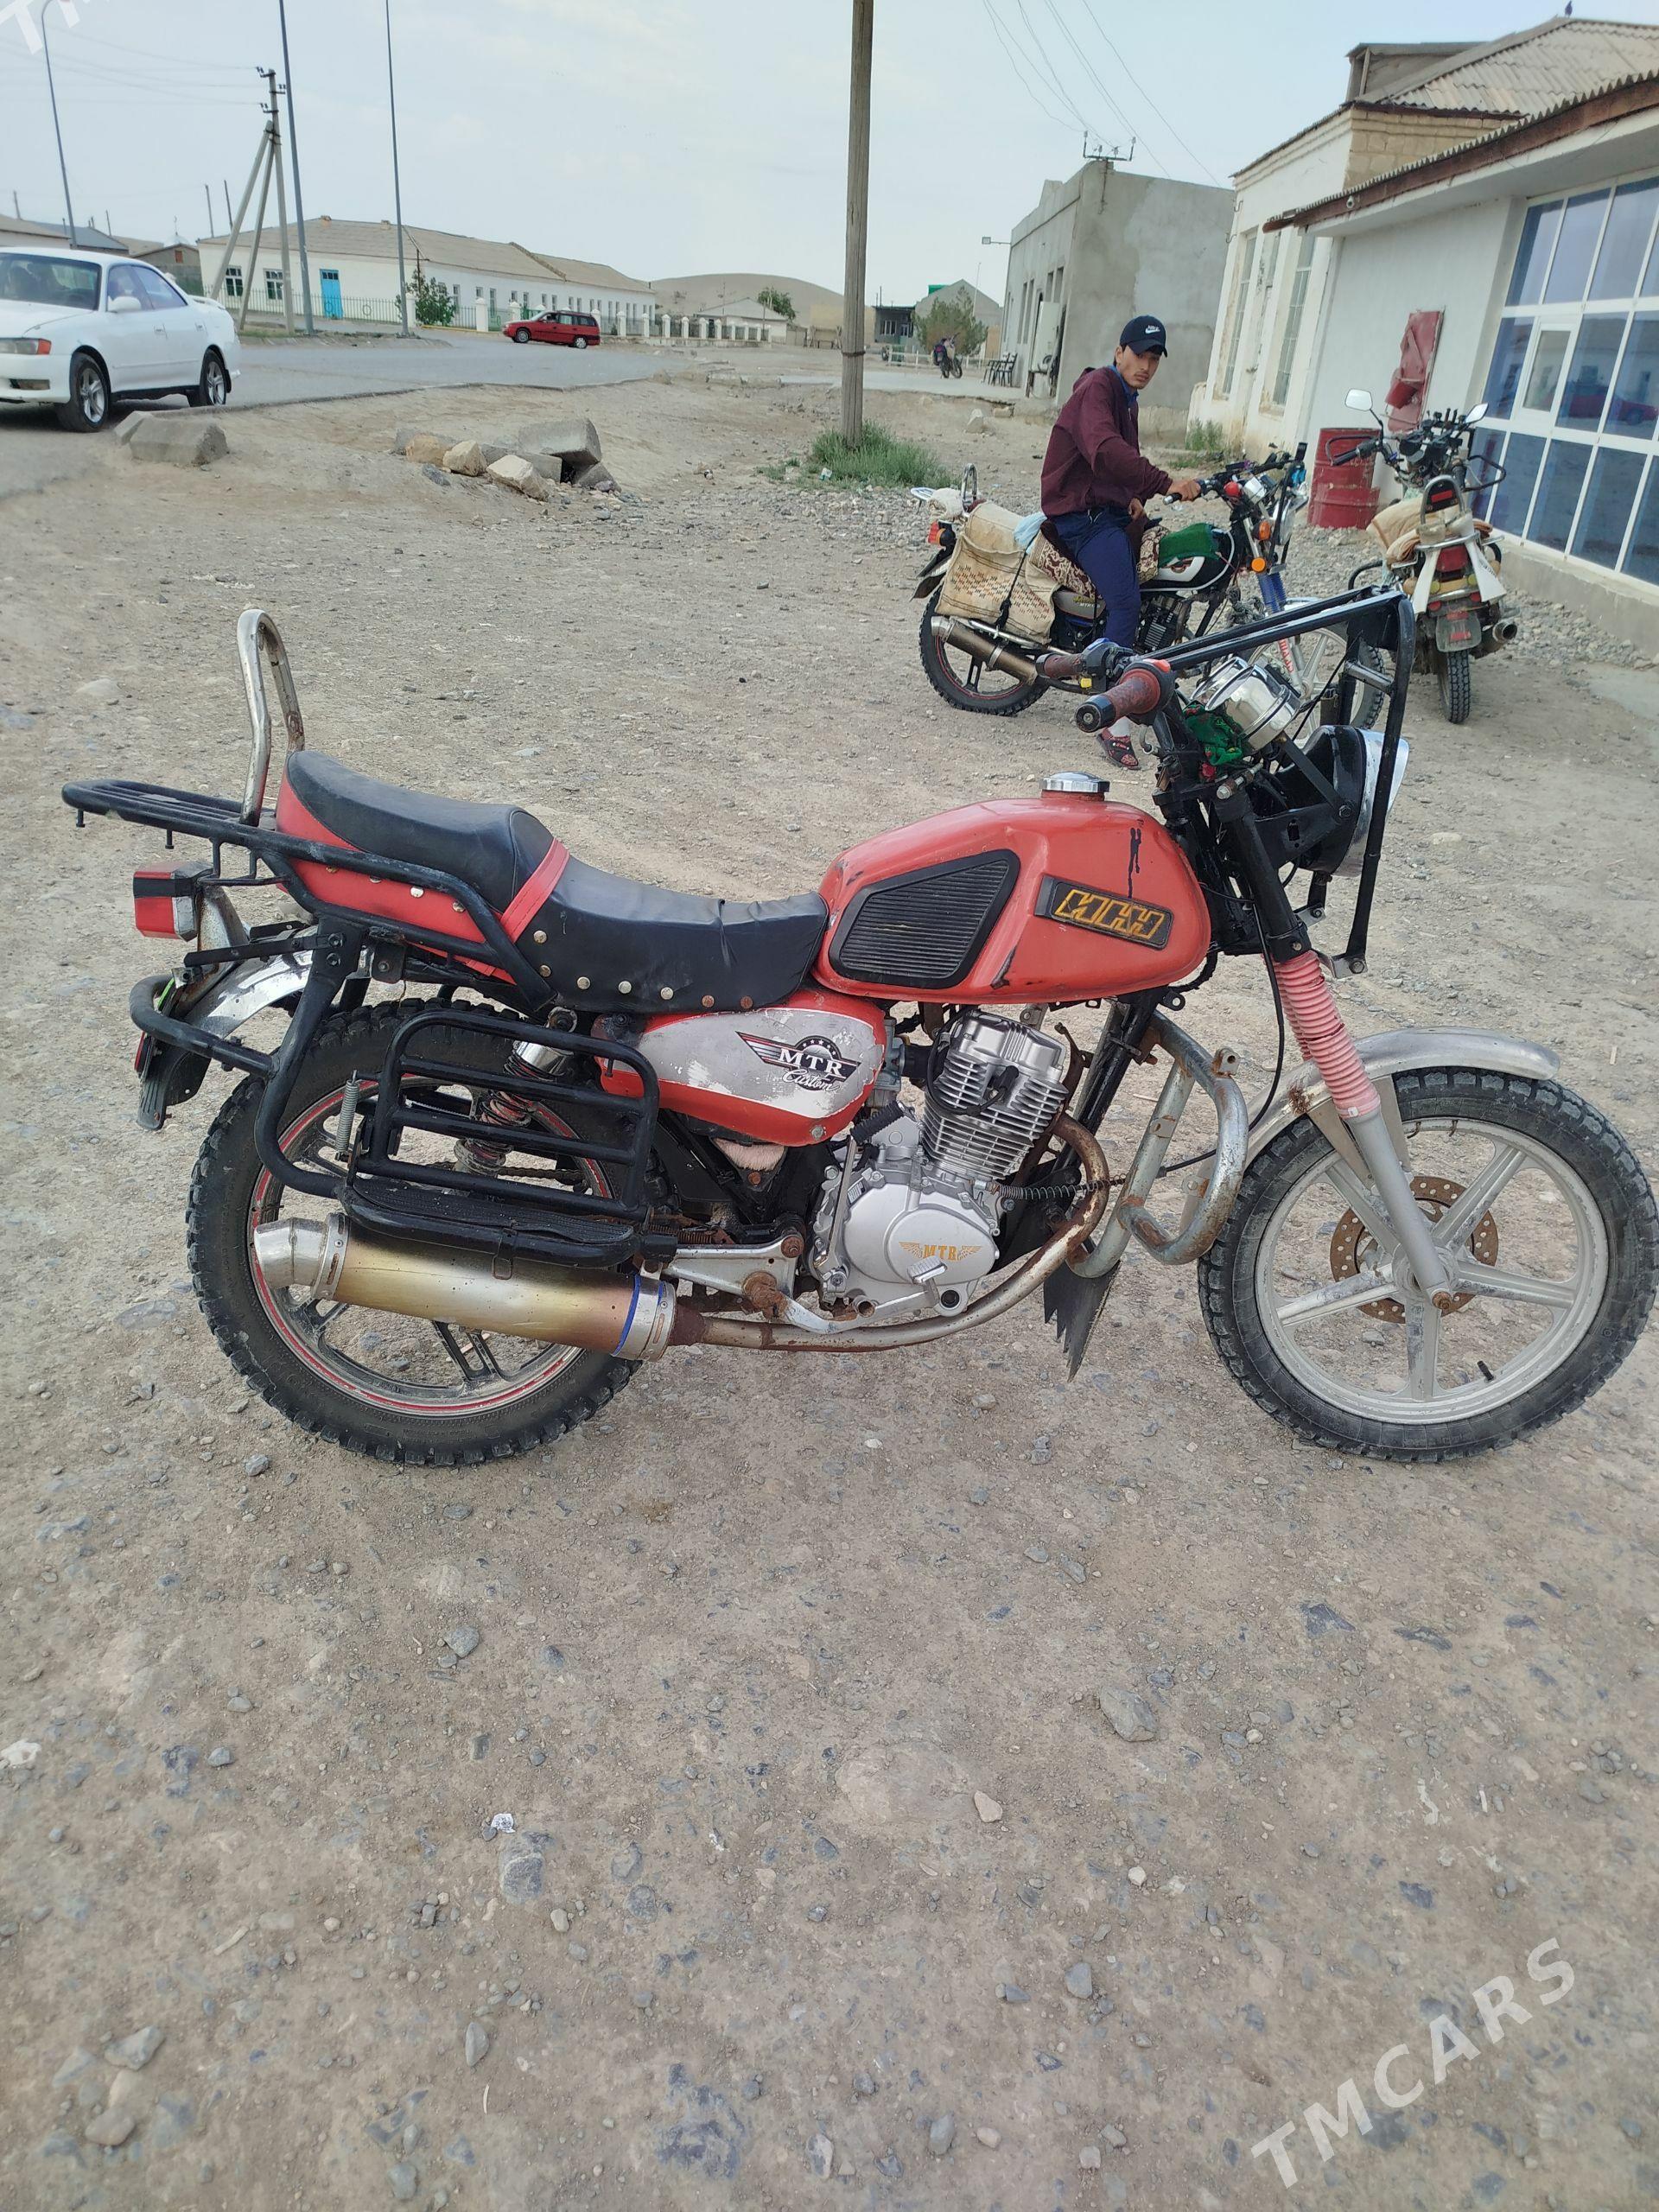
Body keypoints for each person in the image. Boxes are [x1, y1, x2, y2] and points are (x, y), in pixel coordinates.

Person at [1040, 316, 1202, 763]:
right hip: (1081, 514)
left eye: (1154, 359)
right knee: (1126, 603)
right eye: (1139, 355)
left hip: (1105, 507)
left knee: (1157, 569)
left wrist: (1134, 496)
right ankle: (1113, 720)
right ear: (1119, 352)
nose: (1146, 366)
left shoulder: (1126, 398)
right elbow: (1106, 450)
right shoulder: (1099, 388)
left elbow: (1120, 461)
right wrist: (1165, 482)